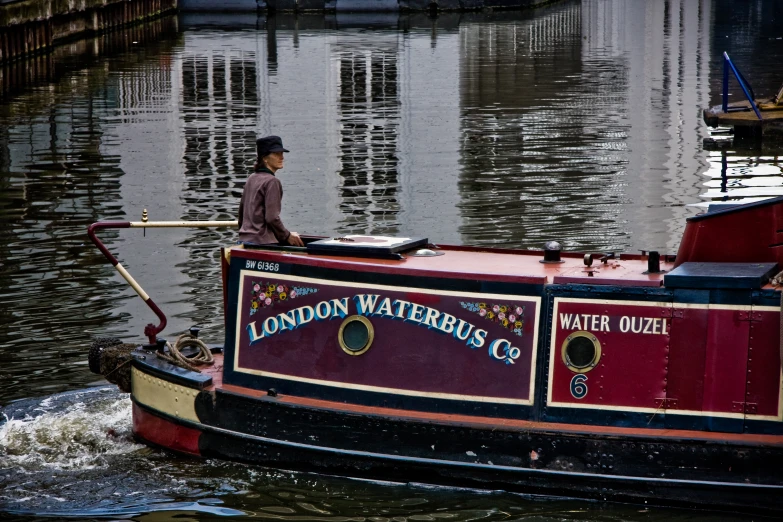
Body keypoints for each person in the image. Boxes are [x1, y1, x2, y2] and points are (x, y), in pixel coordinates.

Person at [238, 136, 304, 247]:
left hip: (244, 242)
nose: (282, 157)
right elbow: (272, 218)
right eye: (277, 154)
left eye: (282, 153)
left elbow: (241, 214)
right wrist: (287, 236)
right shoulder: (272, 181)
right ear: (265, 158)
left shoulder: (251, 178)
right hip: (263, 244)